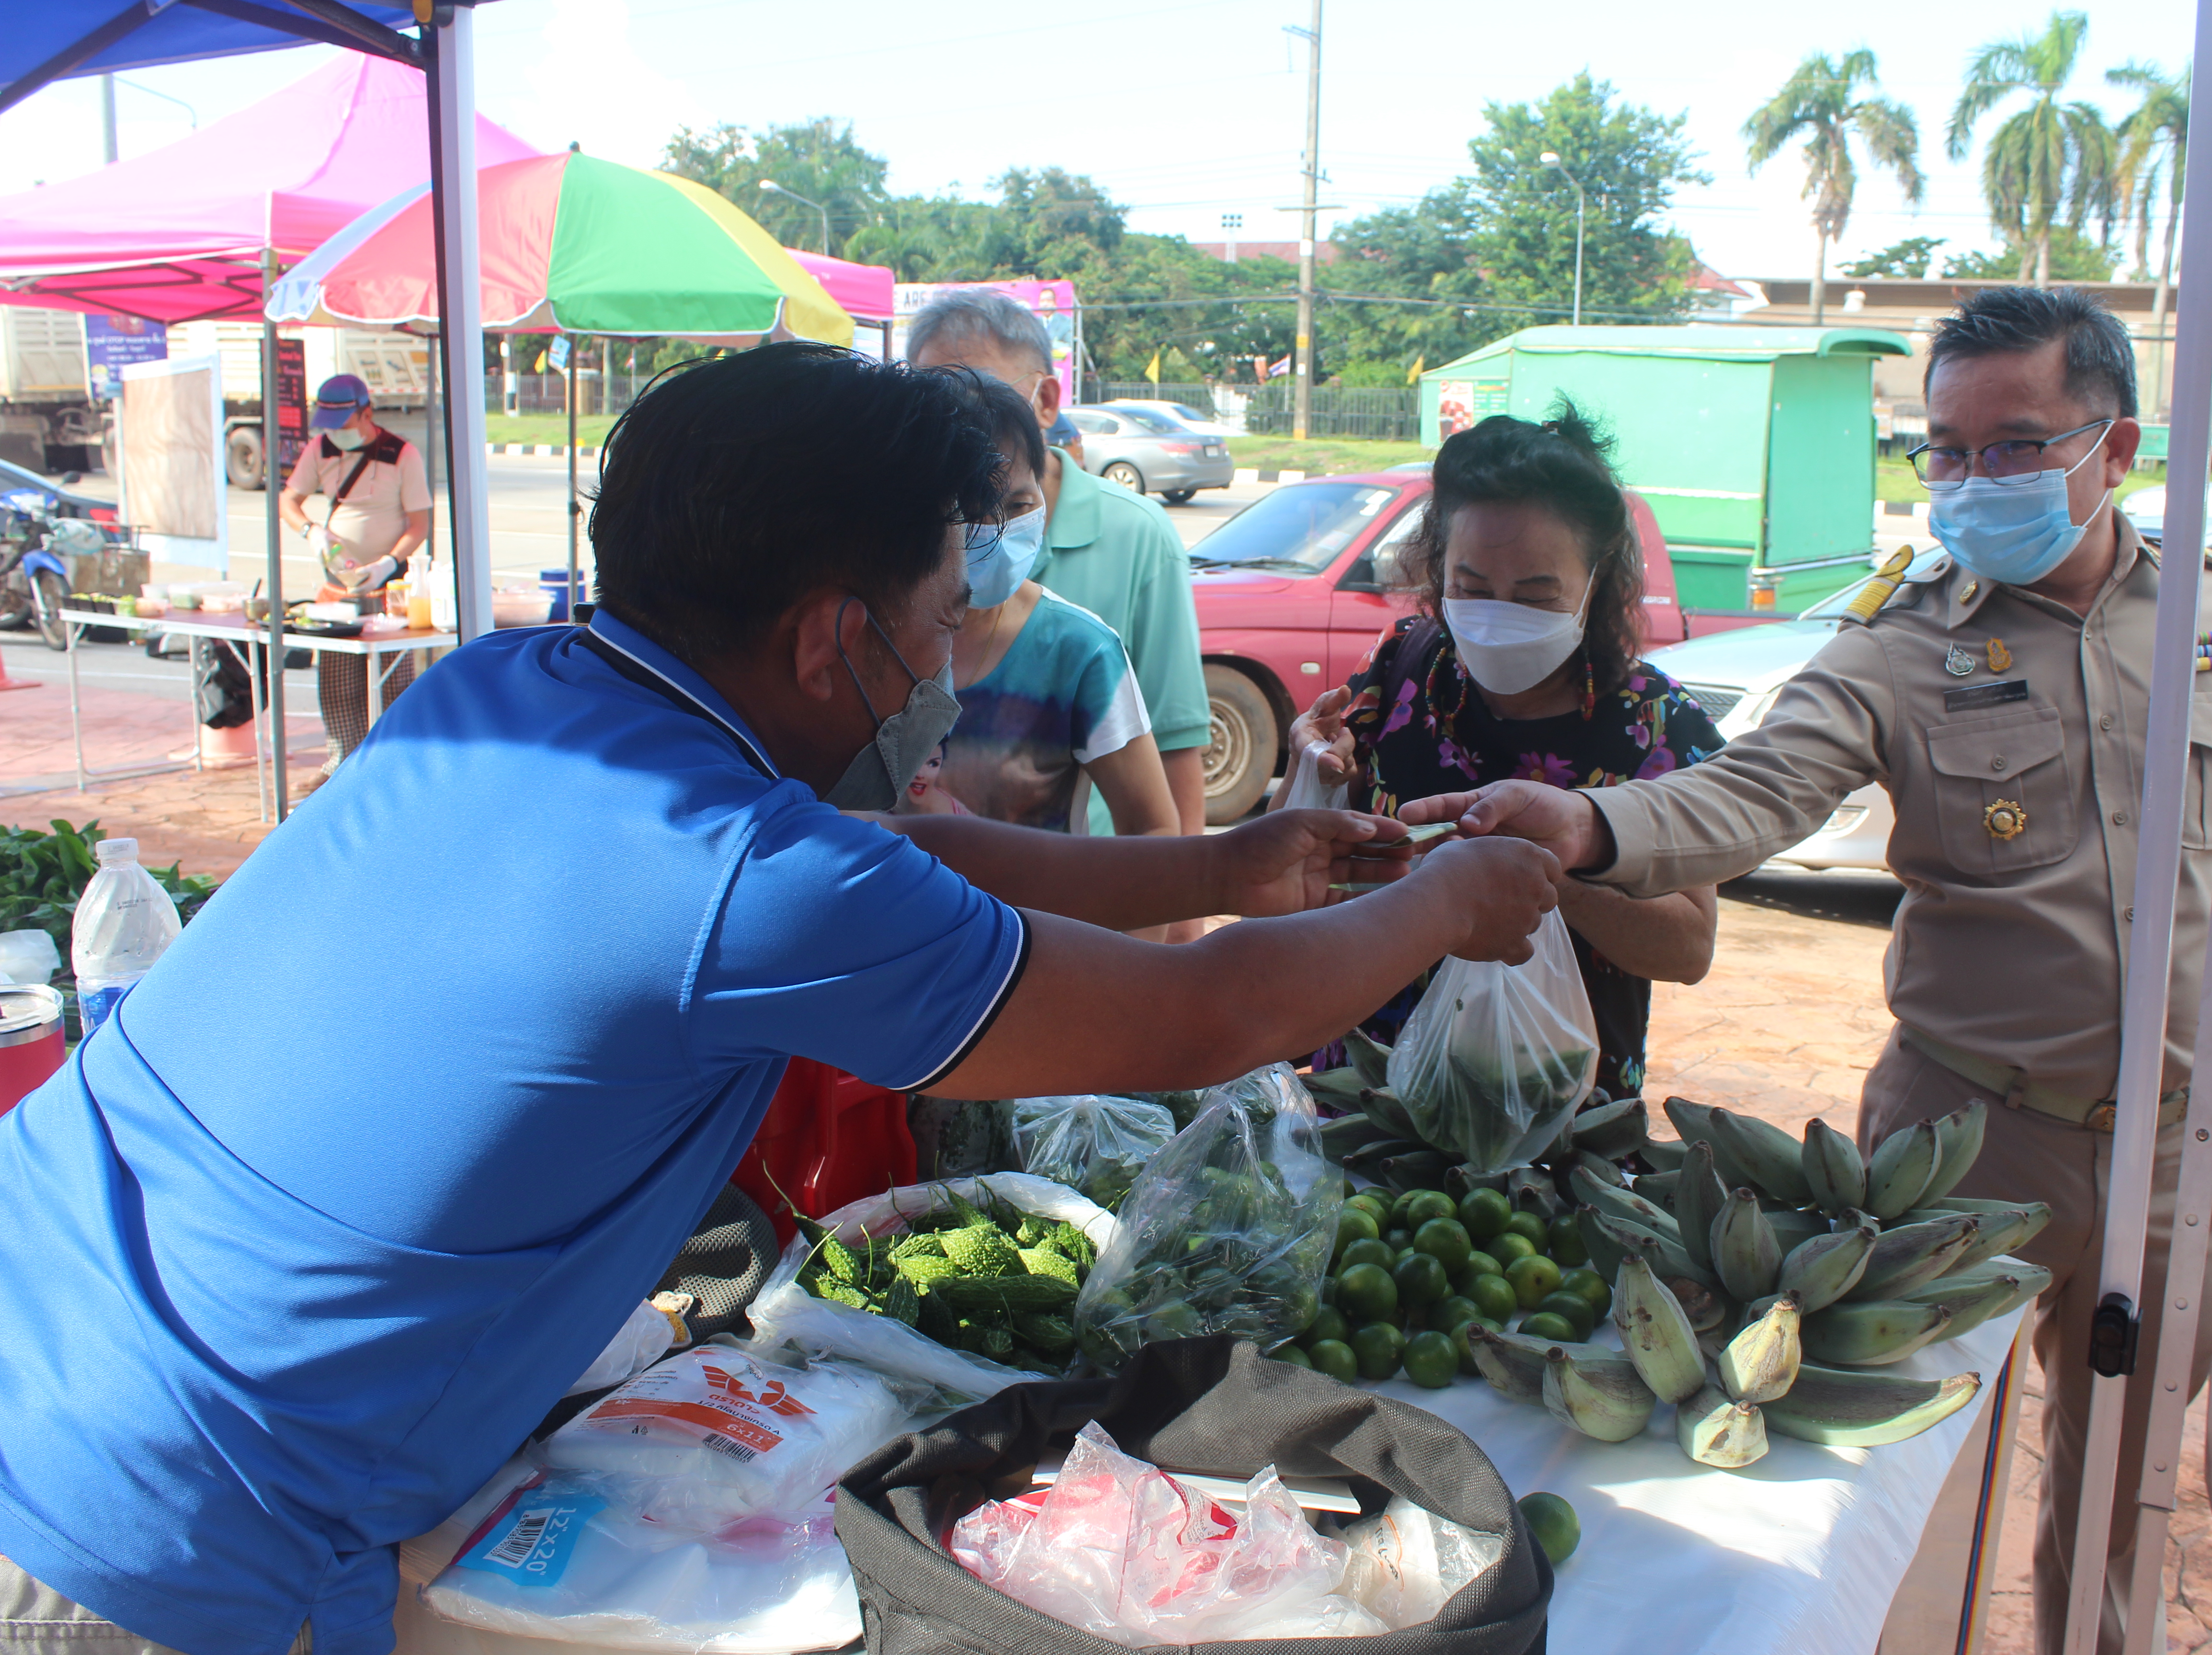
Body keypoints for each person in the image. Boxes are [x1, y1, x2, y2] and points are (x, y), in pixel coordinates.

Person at [0, 344, 1562, 1655]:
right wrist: (1441, 899)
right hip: (150, 1523)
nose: (949, 662)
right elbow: (1201, 1021)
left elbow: (887, 846)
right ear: (833, 633)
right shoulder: (731, 871)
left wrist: (1231, 857)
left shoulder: (506, 688)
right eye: (941, 620)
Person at [1399, 287, 2212, 1655]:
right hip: (1960, 1149)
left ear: (2117, 447)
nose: (1975, 482)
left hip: (2176, 1152)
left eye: (2017, 446)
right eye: (1947, 450)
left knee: (2122, 1501)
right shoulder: (1901, 636)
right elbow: (1755, 790)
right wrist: (1593, 820)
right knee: (1909, 1494)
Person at [1274, 405, 1723, 1096]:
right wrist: (1314, 763)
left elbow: (1688, 947)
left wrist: (1548, 873)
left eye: (1537, 597)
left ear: (1597, 584)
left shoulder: (1657, 726)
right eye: (1472, 588)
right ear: (1437, 569)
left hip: (1553, 1115)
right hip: (1368, 1098)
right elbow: (1296, 860)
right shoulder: (1403, 665)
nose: (1497, 615)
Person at [902, 292, 1212, 856]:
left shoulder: (1094, 623)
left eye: (1017, 508)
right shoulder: (868, 625)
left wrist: (1177, 923)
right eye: (930, 394)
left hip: (1059, 918)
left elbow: (1173, 746)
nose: (953, 414)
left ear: (1043, 400)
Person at [939, 370, 1178, 840]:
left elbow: (1153, 830)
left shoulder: (1081, 653)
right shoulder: (860, 638)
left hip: (1035, 917)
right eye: (974, 511)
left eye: (1021, 504)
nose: (998, 531)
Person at [275, 374, 432, 776]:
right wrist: (311, 532)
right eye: (328, 424)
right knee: (338, 681)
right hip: (337, 590)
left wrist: (387, 563)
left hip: (388, 591)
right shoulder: (321, 449)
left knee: (392, 684)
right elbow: (288, 501)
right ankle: (341, 766)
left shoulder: (402, 455)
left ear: (366, 413)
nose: (335, 433)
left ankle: (391, 769)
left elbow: (419, 524)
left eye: (342, 423)